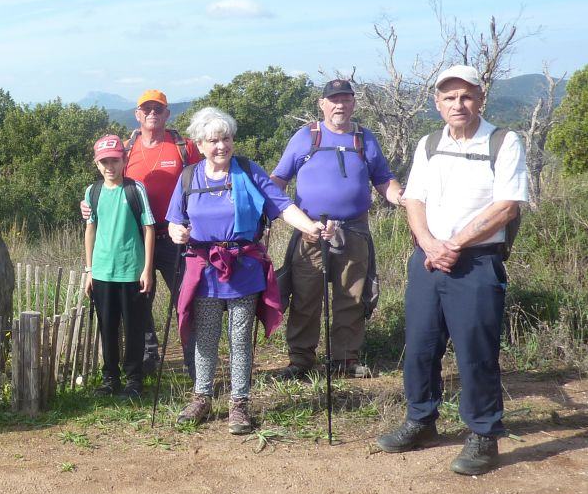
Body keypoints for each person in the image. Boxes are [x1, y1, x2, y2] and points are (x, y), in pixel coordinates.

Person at [376, 65, 527, 476]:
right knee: (421, 346)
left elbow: (507, 206)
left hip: (477, 262)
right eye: (449, 97)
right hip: (427, 259)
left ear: (480, 99)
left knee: (476, 352)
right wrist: (428, 243)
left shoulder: (503, 141)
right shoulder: (428, 144)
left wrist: (454, 245)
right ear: (437, 103)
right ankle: (421, 421)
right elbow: (414, 199)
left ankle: (483, 433)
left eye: (465, 96)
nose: (457, 104)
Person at [166, 108, 328, 434]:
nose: (222, 146)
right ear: (200, 144)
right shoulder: (188, 177)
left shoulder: (248, 172)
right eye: (214, 140)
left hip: (244, 268)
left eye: (226, 138)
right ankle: (202, 397)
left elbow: (282, 205)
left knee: (240, 339)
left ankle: (238, 404)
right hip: (205, 270)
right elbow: (174, 220)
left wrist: (310, 226)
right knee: (206, 337)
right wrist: (177, 233)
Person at [269, 79, 404, 380]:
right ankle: (301, 359)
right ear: (322, 104)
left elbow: (383, 179)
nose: (340, 105)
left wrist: (401, 197)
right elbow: (279, 177)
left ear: (354, 103)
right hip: (310, 231)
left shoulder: (364, 139)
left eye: (346, 99)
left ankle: (344, 359)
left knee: (352, 296)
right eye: (334, 100)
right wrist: (262, 209)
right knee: (305, 296)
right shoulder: (306, 137)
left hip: (353, 230)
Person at [80, 90, 203, 376]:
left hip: (177, 238)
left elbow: (203, 178)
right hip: (138, 239)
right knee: (140, 303)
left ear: (167, 114)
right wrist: (88, 204)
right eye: (146, 109)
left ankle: (194, 360)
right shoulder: (126, 149)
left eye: (158, 109)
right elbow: (109, 185)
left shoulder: (184, 147)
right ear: (137, 114)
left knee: (185, 300)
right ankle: (148, 359)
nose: (152, 113)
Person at [83, 134, 156, 399]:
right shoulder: (92, 191)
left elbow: (149, 228)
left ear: (124, 160)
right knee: (107, 327)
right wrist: (89, 270)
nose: (109, 167)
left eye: (114, 160)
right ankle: (110, 377)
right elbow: (90, 230)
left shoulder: (135, 189)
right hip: (102, 272)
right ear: (96, 163)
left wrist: (147, 269)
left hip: (130, 270)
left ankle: (134, 379)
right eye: (104, 162)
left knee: (134, 327)